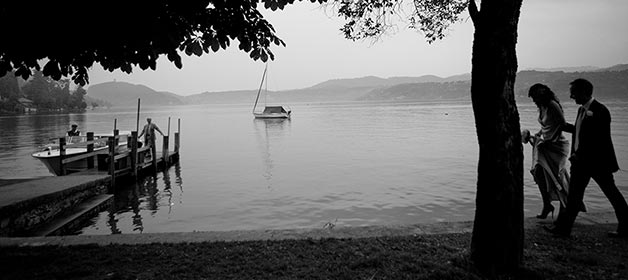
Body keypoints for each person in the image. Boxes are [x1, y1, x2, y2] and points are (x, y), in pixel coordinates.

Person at [545, 78, 628, 238]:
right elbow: (580, 132)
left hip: (598, 164)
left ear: (584, 92)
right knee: (574, 197)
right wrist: (562, 126)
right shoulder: (582, 110)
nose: (571, 97)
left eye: (573, 93)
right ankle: (563, 229)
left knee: (612, 194)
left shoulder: (600, 111)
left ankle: (626, 227)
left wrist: (578, 154)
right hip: (580, 164)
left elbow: (598, 140)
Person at [522, 84, 574, 220]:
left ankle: (566, 205)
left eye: (534, 97)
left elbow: (561, 124)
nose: (533, 100)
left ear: (541, 95)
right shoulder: (542, 107)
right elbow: (545, 126)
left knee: (558, 176)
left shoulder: (552, 105)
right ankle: (547, 204)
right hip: (544, 144)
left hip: (556, 145)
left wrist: (550, 139)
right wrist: (538, 135)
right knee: (539, 173)